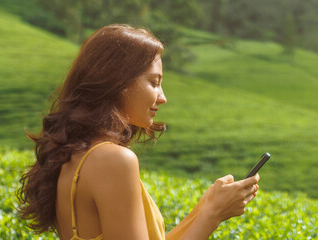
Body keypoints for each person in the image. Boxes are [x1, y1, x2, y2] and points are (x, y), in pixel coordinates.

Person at [17, 24, 260, 239]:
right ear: (119, 83)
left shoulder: (79, 155)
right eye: (154, 83)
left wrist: (205, 208)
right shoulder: (113, 160)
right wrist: (213, 215)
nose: (163, 97)